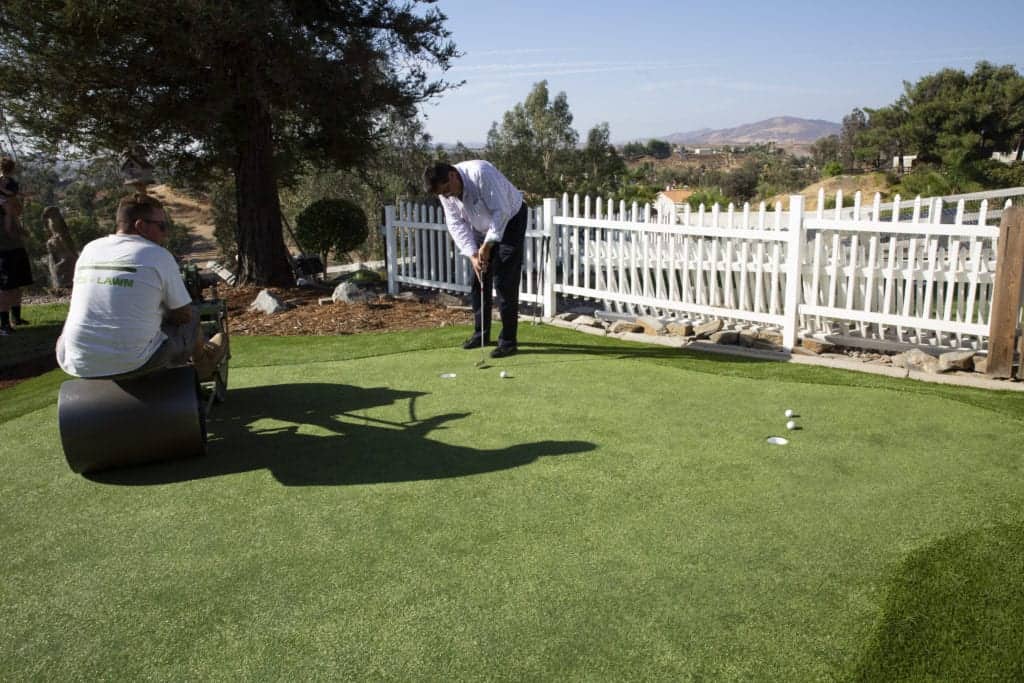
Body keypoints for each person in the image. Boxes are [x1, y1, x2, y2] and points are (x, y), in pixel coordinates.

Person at [56, 193, 226, 379]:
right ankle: (204, 363)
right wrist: (163, 313)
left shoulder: (90, 249)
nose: (165, 233)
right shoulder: (157, 254)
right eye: (162, 226)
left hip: (76, 364)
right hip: (137, 363)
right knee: (192, 315)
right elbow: (183, 313)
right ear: (141, 226)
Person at [423, 160, 527, 358]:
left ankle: (508, 341)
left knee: (504, 281)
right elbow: (455, 224)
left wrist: (487, 246)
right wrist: (473, 254)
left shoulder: (481, 173)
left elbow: (501, 212)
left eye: (447, 190)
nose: (447, 196)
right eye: (442, 194)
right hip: (480, 225)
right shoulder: (445, 192)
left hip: (510, 219)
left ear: (453, 175)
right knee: (479, 278)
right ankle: (481, 334)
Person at [0, 157, 32, 335]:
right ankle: (4, 324)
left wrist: (19, 228)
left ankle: (16, 317)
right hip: (3, 248)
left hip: (16, 246)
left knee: (17, 282)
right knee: (5, 287)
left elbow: (16, 212)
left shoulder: (10, 187)